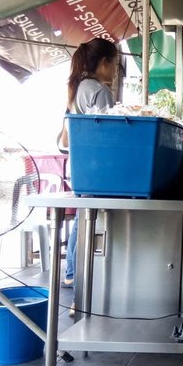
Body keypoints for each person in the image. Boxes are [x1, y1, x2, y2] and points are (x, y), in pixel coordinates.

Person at [61, 38, 119, 317]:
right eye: (115, 64)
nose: (116, 70)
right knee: (89, 225)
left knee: (81, 221)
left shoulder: (77, 88)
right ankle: (82, 290)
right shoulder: (99, 91)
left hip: (81, 167)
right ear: (104, 62)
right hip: (98, 168)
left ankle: (73, 273)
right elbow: (109, 135)